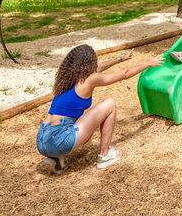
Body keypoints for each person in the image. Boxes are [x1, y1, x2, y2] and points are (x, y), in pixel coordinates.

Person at [36, 45, 163, 174]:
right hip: (60, 140)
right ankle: (105, 155)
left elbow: (99, 68)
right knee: (110, 104)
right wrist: (148, 63)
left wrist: (120, 59)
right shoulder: (90, 79)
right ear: (89, 63)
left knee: (69, 121)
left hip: (42, 138)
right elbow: (125, 74)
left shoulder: (67, 77)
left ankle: (55, 159)